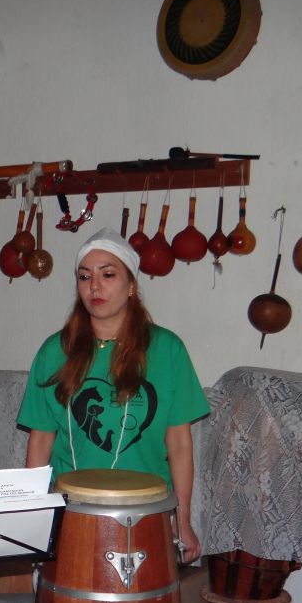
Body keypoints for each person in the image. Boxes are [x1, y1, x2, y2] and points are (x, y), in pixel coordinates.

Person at [17, 227, 209, 564]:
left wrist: (182, 519)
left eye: (108, 274)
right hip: (71, 512)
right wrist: (32, 516)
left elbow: (179, 443)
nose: (94, 286)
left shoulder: (167, 350)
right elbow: (40, 440)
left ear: (131, 285)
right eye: (84, 276)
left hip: (146, 514)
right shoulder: (54, 351)